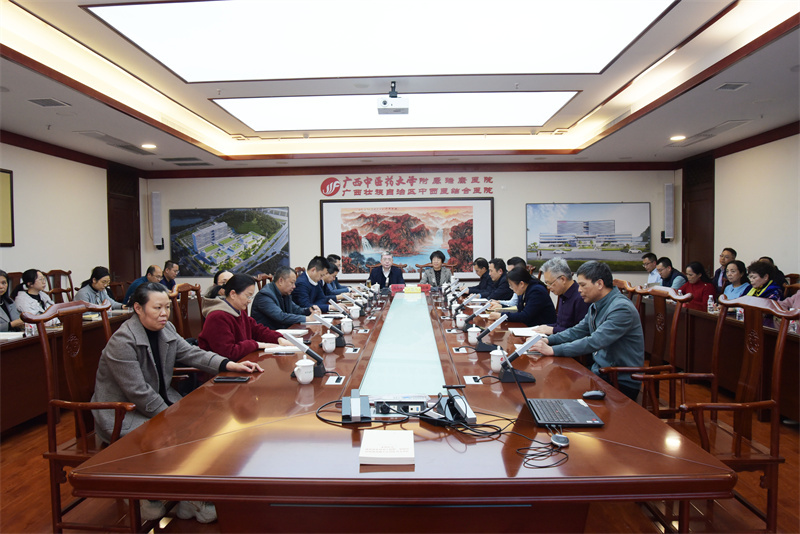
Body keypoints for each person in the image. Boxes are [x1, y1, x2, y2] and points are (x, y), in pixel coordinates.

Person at [92, 282, 262, 523]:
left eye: (167, 307)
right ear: (138, 308)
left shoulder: (166, 328)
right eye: (157, 308)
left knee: (209, 423)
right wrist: (173, 419)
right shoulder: (123, 341)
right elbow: (138, 392)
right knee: (181, 432)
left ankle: (188, 497)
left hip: (157, 402)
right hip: (122, 413)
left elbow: (193, 353)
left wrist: (229, 364)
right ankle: (176, 496)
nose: (164, 313)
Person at [532, 261, 645, 401]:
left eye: (583, 285)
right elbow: (577, 331)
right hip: (601, 373)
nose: (579, 290)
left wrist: (553, 350)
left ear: (599, 284)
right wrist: (548, 340)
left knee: (561, 395)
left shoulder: (621, 308)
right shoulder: (596, 305)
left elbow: (594, 341)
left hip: (619, 380)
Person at [198, 274, 292, 361]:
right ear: (233, 294)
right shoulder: (217, 317)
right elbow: (228, 353)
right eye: (248, 296)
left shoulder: (238, 311)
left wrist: (278, 339)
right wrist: (257, 345)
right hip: (220, 371)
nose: (249, 301)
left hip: (241, 363)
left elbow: (257, 330)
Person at [531, 258, 590, 335]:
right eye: (546, 284)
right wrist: (546, 327)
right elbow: (561, 325)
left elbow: (580, 332)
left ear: (563, 279)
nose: (548, 287)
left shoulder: (581, 297)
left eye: (550, 283)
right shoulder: (563, 294)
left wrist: (553, 330)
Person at [252, 266, 321, 330]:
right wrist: (307, 319)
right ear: (281, 281)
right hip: (268, 335)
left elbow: (296, 310)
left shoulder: (285, 293)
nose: (294, 286)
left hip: (282, 332)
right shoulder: (265, 295)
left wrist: (309, 310)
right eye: (292, 283)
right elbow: (281, 316)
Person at [487, 266, 555, 327]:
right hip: (532, 326)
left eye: (512, 286)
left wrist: (501, 316)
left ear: (521, 284)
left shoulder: (536, 291)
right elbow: (519, 309)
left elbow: (525, 316)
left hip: (543, 329)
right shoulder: (524, 290)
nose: (512, 289)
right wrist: (501, 308)